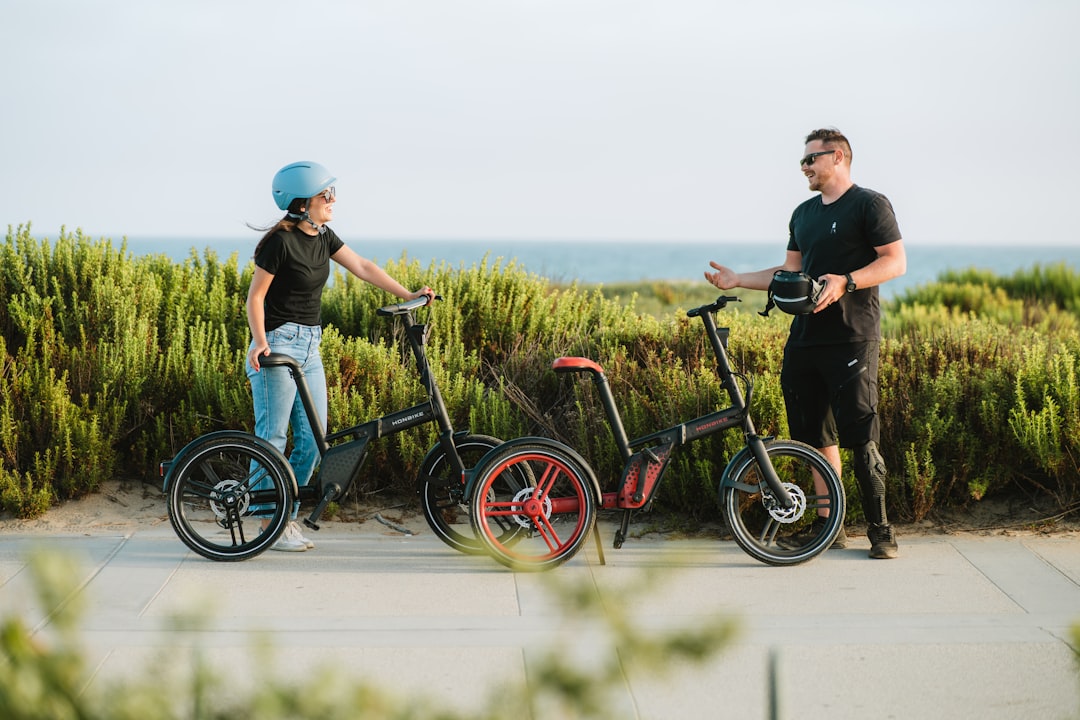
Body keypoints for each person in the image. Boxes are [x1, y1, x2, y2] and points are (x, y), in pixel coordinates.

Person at [705, 128, 906, 559]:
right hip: (805, 339)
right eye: (802, 161)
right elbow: (789, 272)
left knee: (860, 435)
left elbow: (895, 261)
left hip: (853, 337)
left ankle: (881, 532)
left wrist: (847, 281)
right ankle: (828, 527)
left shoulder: (870, 204)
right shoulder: (802, 214)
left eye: (810, 160)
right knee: (815, 437)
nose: (804, 168)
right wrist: (738, 279)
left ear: (837, 157)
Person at [246, 161, 433, 552]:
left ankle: (286, 516)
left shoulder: (324, 236)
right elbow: (256, 297)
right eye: (324, 195)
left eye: (331, 193)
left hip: (311, 345)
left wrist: (408, 295)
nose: (332, 200)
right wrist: (260, 340)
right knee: (274, 436)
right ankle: (267, 521)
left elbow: (363, 266)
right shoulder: (281, 243)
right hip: (279, 343)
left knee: (314, 441)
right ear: (301, 203)